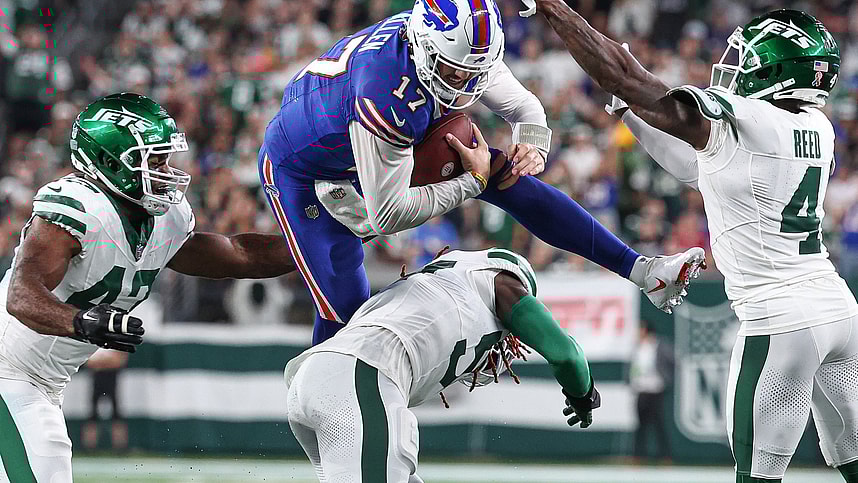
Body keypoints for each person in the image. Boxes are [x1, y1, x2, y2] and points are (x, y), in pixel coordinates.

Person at [520, 3, 858, 481]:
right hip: (836, 309)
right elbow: (698, 167)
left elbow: (628, 77)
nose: (738, 67)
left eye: (749, 58)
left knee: (756, 474)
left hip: (781, 321)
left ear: (776, 69)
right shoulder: (818, 128)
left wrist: (559, 11)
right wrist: (632, 115)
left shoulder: (753, 119)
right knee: (852, 457)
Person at [260, 0, 706, 345]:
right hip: (307, 172)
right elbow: (388, 216)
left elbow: (524, 107)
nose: (463, 84)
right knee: (345, 309)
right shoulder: (383, 88)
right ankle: (325, 419)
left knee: (505, 172)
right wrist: (471, 182)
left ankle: (646, 272)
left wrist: (533, 144)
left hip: (367, 145)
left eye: (473, 72)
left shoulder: (462, 49)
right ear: (423, 48)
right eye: (454, 72)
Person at [0, 93, 297, 482]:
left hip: (43, 382)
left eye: (165, 159)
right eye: (153, 160)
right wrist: (84, 321)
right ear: (109, 161)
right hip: (9, 375)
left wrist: (322, 242)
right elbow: (21, 296)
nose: (165, 170)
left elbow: (240, 256)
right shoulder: (78, 208)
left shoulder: (163, 221)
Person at [284, 247, 600, 481]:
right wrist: (583, 395)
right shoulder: (502, 284)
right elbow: (566, 354)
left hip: (314, 379)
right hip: (361, 378)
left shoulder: (435, 284)